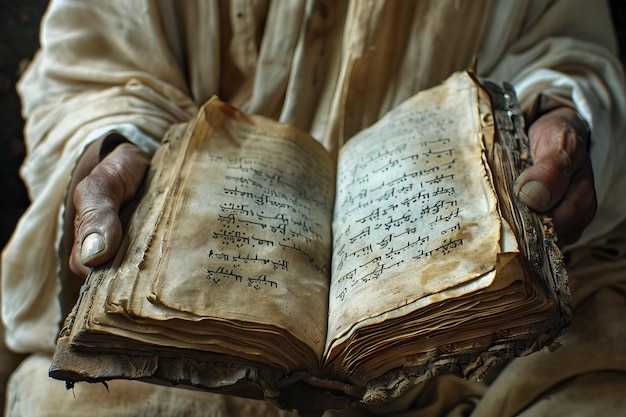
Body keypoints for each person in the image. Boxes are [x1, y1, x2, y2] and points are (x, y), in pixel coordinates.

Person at [3, 0, 626, 416]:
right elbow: (99, 65)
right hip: (193, 345)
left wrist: (553, 117)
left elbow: (563, 46)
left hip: (482, 338)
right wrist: (121, 147)